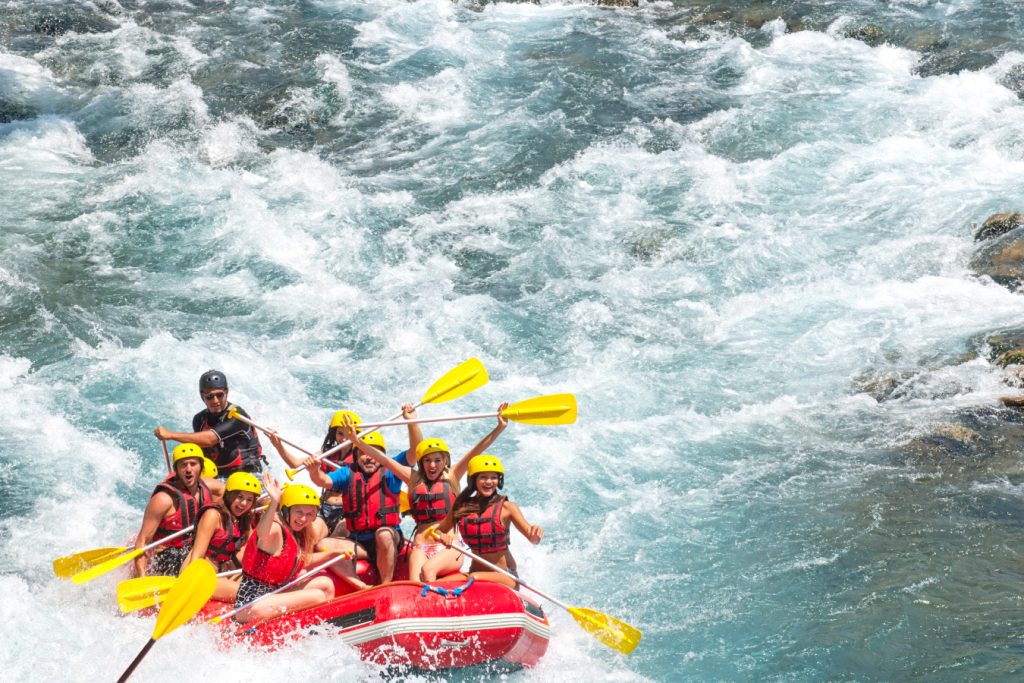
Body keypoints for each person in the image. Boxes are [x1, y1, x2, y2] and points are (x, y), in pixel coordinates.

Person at [345, 403, 510, 583]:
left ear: (445, 460)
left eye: (437, 460)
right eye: (428, 461)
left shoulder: (453, 475)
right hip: (420, 546)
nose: (432, 465)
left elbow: (476, 450)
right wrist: (356, 441)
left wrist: (499, 427)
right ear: (422, 462)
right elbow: (383, 459)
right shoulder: (413, 478)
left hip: (449, 546)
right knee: (415, 583)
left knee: (427, 571)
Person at [304, 418, 409, 588]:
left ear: (380, 455)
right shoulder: (347, 474)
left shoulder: (391, 472)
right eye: (362, 453)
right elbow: (323, 481)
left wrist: (411, 422)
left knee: (383, 534)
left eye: (373, 453)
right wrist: (314, 470)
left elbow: (415, 453)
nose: (368, 458)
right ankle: (361, 586)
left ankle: (385, 586)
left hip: (388, 536)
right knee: (323, 545)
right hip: (360, 541)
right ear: (356, 456)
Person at [232, 475, 347, 624]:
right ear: (286, 511)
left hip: (272, 593)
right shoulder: (275, 528)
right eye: (299, 512)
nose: (303, 519)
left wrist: (332, 554)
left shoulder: (296, 532)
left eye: (308, 514)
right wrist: (274, 502)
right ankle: (312, 630)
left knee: (326, 584)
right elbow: (262, 534)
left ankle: (322, 629)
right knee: (318, 596)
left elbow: (300, 561)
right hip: (251, 604)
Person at [430, 454, 543, 589]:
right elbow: (437, 531)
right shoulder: (462, 506)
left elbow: (532, 538)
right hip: (475, 573)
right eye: (483, 477)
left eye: (494, 477)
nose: (489, 482)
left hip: (505, 576)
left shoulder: (508, 508)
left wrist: (535, 534)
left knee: (474, 578)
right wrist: (443, 537)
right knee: (437, 585)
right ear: (473, 481)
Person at [132, 443, 226, 577]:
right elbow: (143, 542)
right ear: (176, 469)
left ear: (201, 467)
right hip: (167, 557)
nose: (188, 469)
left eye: (193, 464)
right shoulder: (163, 500)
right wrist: (141, 577)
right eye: (183, 465)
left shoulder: (208, 486)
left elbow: (230, 493)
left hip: (194, 549)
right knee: (209, 560)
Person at [267, 409, 364, 536]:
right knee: (313, 538)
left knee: (329, 541)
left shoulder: (361, 457)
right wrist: (278, 445)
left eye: (349, 434)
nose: (344, 438)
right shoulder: (326, 454)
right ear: (334, 433)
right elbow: (294, 463)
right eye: (340, 433)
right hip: (325, 507)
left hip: (346, 511)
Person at [153, 369, 264, 478]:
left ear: (226, 392)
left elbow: (210, 439)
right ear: (202, 397)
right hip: (217, 476)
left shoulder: (238, 416)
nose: (215, 400)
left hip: (248, 474)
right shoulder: (199, 419)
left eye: (219, 395)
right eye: (209, 396)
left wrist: (171, 435)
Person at [180, 471, 261, 601]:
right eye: (240, 497)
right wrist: (190, 584)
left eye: (249, 500)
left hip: (220, 574)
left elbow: (251, 551)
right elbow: (197, 556)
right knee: (250, 594)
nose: (244, 503)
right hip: (199, 574)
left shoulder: (243, 520)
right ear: (229, 495)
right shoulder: (213, 515)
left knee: (259, 586)